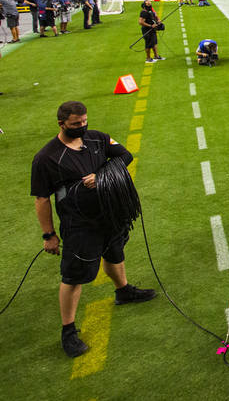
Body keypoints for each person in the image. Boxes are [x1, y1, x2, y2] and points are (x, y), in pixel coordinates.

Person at [31, 101, 157, 358]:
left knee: (115, 254)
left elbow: (125, 156)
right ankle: (68, 331)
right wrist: (49, 235)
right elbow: (42, 199)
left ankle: (123, 290)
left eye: (84, 121)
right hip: (79, 225)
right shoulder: (46, 158)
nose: (82, 127)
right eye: (76, 124)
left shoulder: (98, 139)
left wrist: (102, 175)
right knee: (74, 275)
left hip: (110, 215)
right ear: (61, 123)